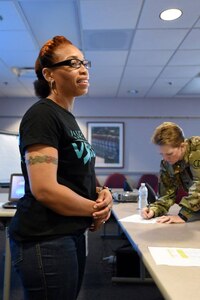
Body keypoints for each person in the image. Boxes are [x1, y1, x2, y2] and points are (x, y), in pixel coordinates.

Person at [9, 35, 112, 300]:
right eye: (72, 63)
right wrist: (95, 210)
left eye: (84, 62)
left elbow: (74, 175)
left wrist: (102, 194)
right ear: (49, 74)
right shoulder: (43, 114)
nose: (83, 68)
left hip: (68, 233)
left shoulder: (67, 119)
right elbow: (45, 189)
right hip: (45, 238)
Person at [141, 121, 200, 224]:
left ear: (182, 146)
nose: (165, 159)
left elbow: (199, 186)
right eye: (161, 154)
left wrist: (183, 216)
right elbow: (166, 195)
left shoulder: (197, 150)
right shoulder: (167, 163)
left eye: (169, 154)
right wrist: (154, 209)